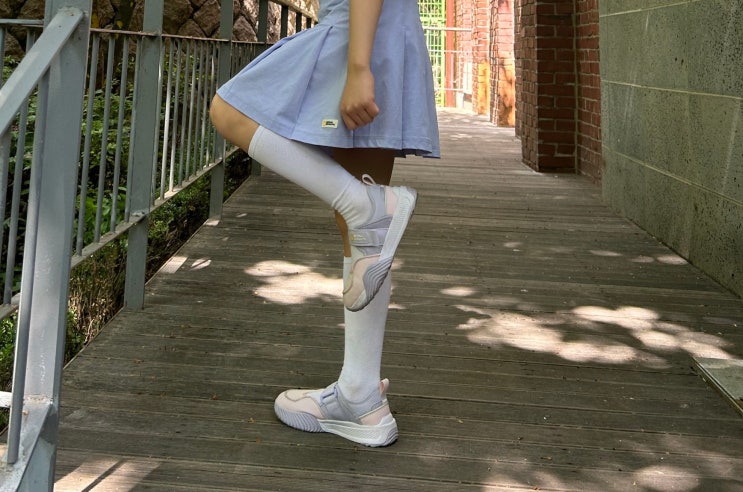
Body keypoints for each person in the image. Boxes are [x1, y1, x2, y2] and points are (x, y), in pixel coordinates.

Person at [209, 0, 439, 447]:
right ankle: (360, 397)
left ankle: (365, 206)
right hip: (382, 35)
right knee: (364, 236)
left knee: (228, 110)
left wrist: (358, 66)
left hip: (358, 37)